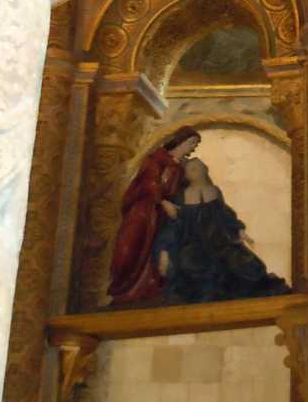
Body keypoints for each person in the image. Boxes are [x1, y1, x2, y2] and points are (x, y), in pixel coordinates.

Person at [155, 158, 290, 304]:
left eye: (197, 168)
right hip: (194, 244)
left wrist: (239, 230)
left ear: (205, 170)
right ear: (186, 175)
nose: (195, 172)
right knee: (196, 266)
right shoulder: (182, 196)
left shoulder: (214, 191)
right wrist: (165, 250)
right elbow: (174, 224)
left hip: (220, 242)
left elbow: (225, 215)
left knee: (246, 263)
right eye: (190, 169)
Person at [107, 128, 200, 304]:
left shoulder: (181, 167)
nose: (193, 148)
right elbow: (149, 183)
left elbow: (182, 190)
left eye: (195, 144)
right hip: (144, 210)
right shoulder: (156, 159)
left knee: (157, 249)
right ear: (179, 141)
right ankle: (122, 288)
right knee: (132, 245)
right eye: (191, 143)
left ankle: (149, 290)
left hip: (163, 215)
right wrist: (163, 202)